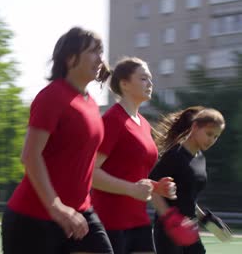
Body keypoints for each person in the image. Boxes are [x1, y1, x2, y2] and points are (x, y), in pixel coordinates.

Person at [1, 26, 114, 254]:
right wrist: (57, 207)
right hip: (33, 219)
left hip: (79, 214)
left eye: (100, 52)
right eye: (93, 51)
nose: (100, 59)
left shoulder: (90, 103)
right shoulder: (52, 96)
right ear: (71, 58)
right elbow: (30, 156)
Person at [90, 57, 176, 254]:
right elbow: (91, 173)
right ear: (125, 84)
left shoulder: (144, 124)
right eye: (144, 78)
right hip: (110, 222)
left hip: (139, 221)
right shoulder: (113, 120)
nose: (150, 83)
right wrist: (131, 189)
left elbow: (132, 173)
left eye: (150, 79)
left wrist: (157, 187)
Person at [150, 106, 225, 254]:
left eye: (216, 136)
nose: (212, 140)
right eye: (209, 134)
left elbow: (187, 196)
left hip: (190, 230)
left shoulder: (200, 158)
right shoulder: (174, 155)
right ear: (195, 127)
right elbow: (153, 189)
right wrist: (171, 219)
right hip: (169, 232)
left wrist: (205, 219)